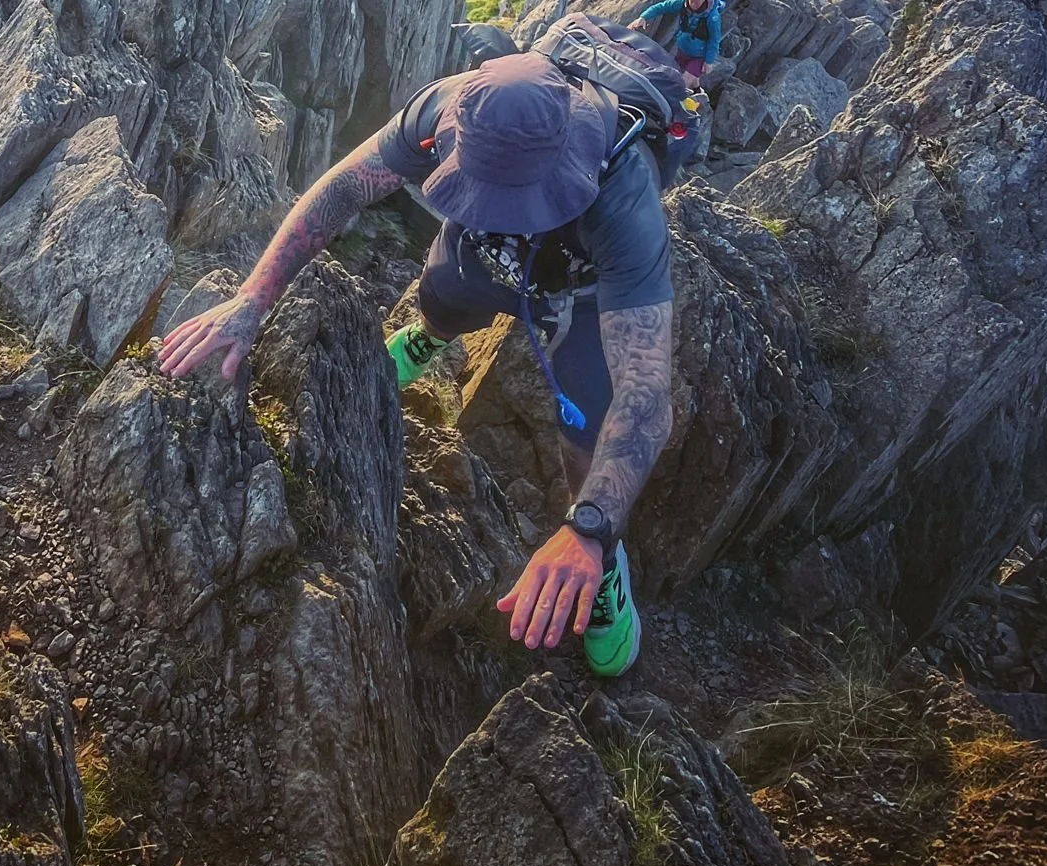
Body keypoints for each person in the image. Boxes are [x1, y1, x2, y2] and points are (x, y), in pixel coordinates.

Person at [157, 47, 674, 678]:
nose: (492, 204)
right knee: (442, 300)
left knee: (587, 433)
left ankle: (602, 567)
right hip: (478, 254)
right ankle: (430, 339)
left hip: (581, 294)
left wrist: (591, 531)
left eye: (507, 197)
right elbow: (341, 188)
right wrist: (252, 297)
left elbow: (644, 390)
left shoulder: (624, 202)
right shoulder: (446, 110)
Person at [630, 0, 725, 84]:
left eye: (697, 3)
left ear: (704, 0)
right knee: (682, 75)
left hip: (700, 56)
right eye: (691, 1)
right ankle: (696, 89)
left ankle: (672, 99)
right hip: (683, 50)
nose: (693, 5)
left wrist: (709, 62)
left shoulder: (712, 18)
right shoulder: (683, 2)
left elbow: (714, 39)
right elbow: (662, 7)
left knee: (683, 81)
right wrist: (644, 17)